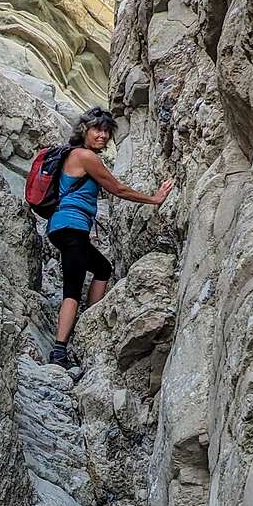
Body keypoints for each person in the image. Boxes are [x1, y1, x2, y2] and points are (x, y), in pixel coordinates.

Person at [47, 106, 173, 366]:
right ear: (84, 131)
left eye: (106, 131)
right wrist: (154, 199)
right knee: (72, 287)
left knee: (102, 268)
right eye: (97, 130)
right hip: (71, 227)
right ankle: (59, 351)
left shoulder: (75, 155)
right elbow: (118, 189)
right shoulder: (86, 157)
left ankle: (88, 319)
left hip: (65, 227)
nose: (102, 135)